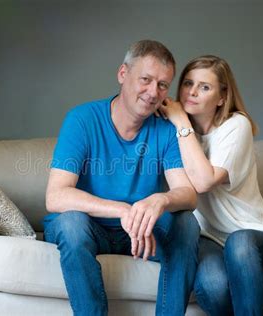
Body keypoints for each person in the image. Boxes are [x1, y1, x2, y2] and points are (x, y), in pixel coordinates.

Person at [43, 40, 200, 316]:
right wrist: (123, 210)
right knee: (70, 223)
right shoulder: (82, 119)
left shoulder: (165, 129)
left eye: (163, 85)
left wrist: (161, 199)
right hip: (90, 228)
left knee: (186, 222)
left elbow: (188, 193)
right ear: (123, 74)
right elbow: (56, 195)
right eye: (146, 79)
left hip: (139, 233)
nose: (153, 93)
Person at [158, 55, 263, 316]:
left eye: (204, 87)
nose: (192, 92)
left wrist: (182, 122)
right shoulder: (173, 132)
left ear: (221, 97)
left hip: (255, 238)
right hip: (208, 238)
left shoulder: (235, 126)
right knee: (213, 286)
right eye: (187, 83)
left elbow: (203, 181)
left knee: (239, 243)